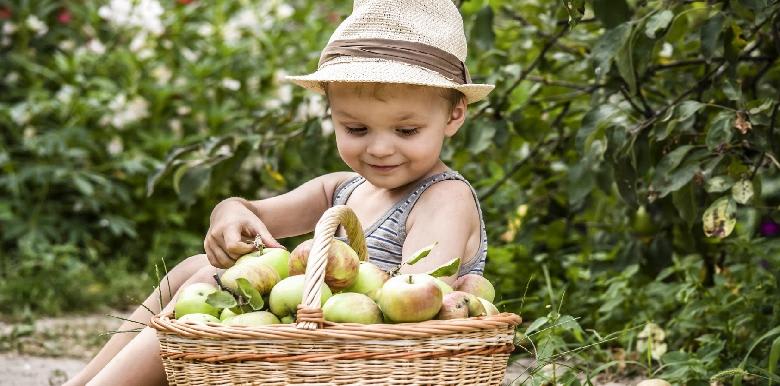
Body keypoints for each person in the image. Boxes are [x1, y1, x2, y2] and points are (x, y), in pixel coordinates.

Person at [66, 0, 494, 384]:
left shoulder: (444, 198)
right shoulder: (341, 189)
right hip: (314, 344)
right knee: (194, 267)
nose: (380, 148)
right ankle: (83, 380)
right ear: (332, 114)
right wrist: (230, 213)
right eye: (356, 128)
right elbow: (252, 211)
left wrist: (286, 289)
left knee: (210, 280)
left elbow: (417, 310)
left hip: (363, 361)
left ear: (454, 115)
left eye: (407, 130)